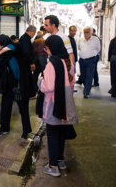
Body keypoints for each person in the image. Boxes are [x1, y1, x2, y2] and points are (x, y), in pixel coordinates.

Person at [38, 35, 78, 177]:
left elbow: (47, 86)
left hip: (53, 105)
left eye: (47, 48)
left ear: (52, 48)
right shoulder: (67, 62)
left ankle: (53, 166)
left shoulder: (51, 64)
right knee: (61, 133)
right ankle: (60, 160)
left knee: (52, 134)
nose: (46, 50)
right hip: (66, 103)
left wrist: (39, 81)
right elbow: (72, 83)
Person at [78, 27, 101, 99]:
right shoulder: (80, 39)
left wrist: (93, 56)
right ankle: (87, 87)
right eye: (84, 32)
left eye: (87, 32)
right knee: (83, 76)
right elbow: (79, 48)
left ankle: (86, 92)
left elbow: (98, 49)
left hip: (91, 60)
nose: (85, 34)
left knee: (89, 76)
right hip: (82, 60)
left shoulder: (95, 39)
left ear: (91, 32)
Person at [19, 25, 37, 95]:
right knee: (26, 80)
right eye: (34, 33)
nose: (34, 34)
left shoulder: (25, 38)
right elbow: (26, 52)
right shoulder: (25, 39)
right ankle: (26, 94)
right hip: (24, 64)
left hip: (25, 63)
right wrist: (31, 63)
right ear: (30, 31)